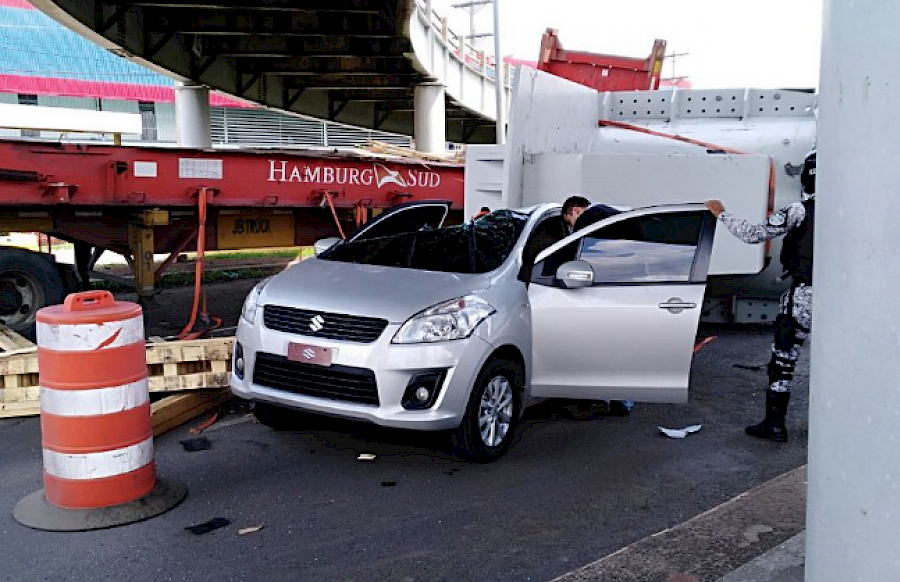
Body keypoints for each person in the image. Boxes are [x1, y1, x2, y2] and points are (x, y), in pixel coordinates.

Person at [704, 149, 816, 442]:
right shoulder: (853, 213)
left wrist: (723, 213)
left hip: (804, 296)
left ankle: (775, 425)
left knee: (783, 361)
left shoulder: (798, 211)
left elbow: (753, 234)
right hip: (845, 299)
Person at [518, 194, 590, 281]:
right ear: (575, 211)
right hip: (540, 280)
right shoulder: (551, 227)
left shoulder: (560, 226)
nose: (586, 219)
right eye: (584, 214)